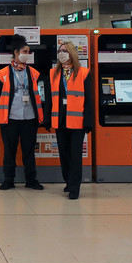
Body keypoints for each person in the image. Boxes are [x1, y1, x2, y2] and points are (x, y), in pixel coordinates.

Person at [0, 34, 44, 191]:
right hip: (10, 118)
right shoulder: (3, 74)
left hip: (30, 117)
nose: (27, 55)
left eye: (29, 52)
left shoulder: (34, 73)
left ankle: (31, 179)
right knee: (10, 150)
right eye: (25, 51)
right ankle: (8, 180)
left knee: (29, 150)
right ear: (16, 52)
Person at [48, 41, 93, 199]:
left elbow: (89, 99)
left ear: (72, 53)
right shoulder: (53, 73)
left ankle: (75, 188)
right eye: (60, 51)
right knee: (64, 154)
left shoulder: (84, 72)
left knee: (75, 155)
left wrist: (89, 121)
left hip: (77, 122)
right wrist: (48, 119)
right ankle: (68, 181)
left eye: (65, 51)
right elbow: (50, 98)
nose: (61, 53)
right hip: (60, 121)